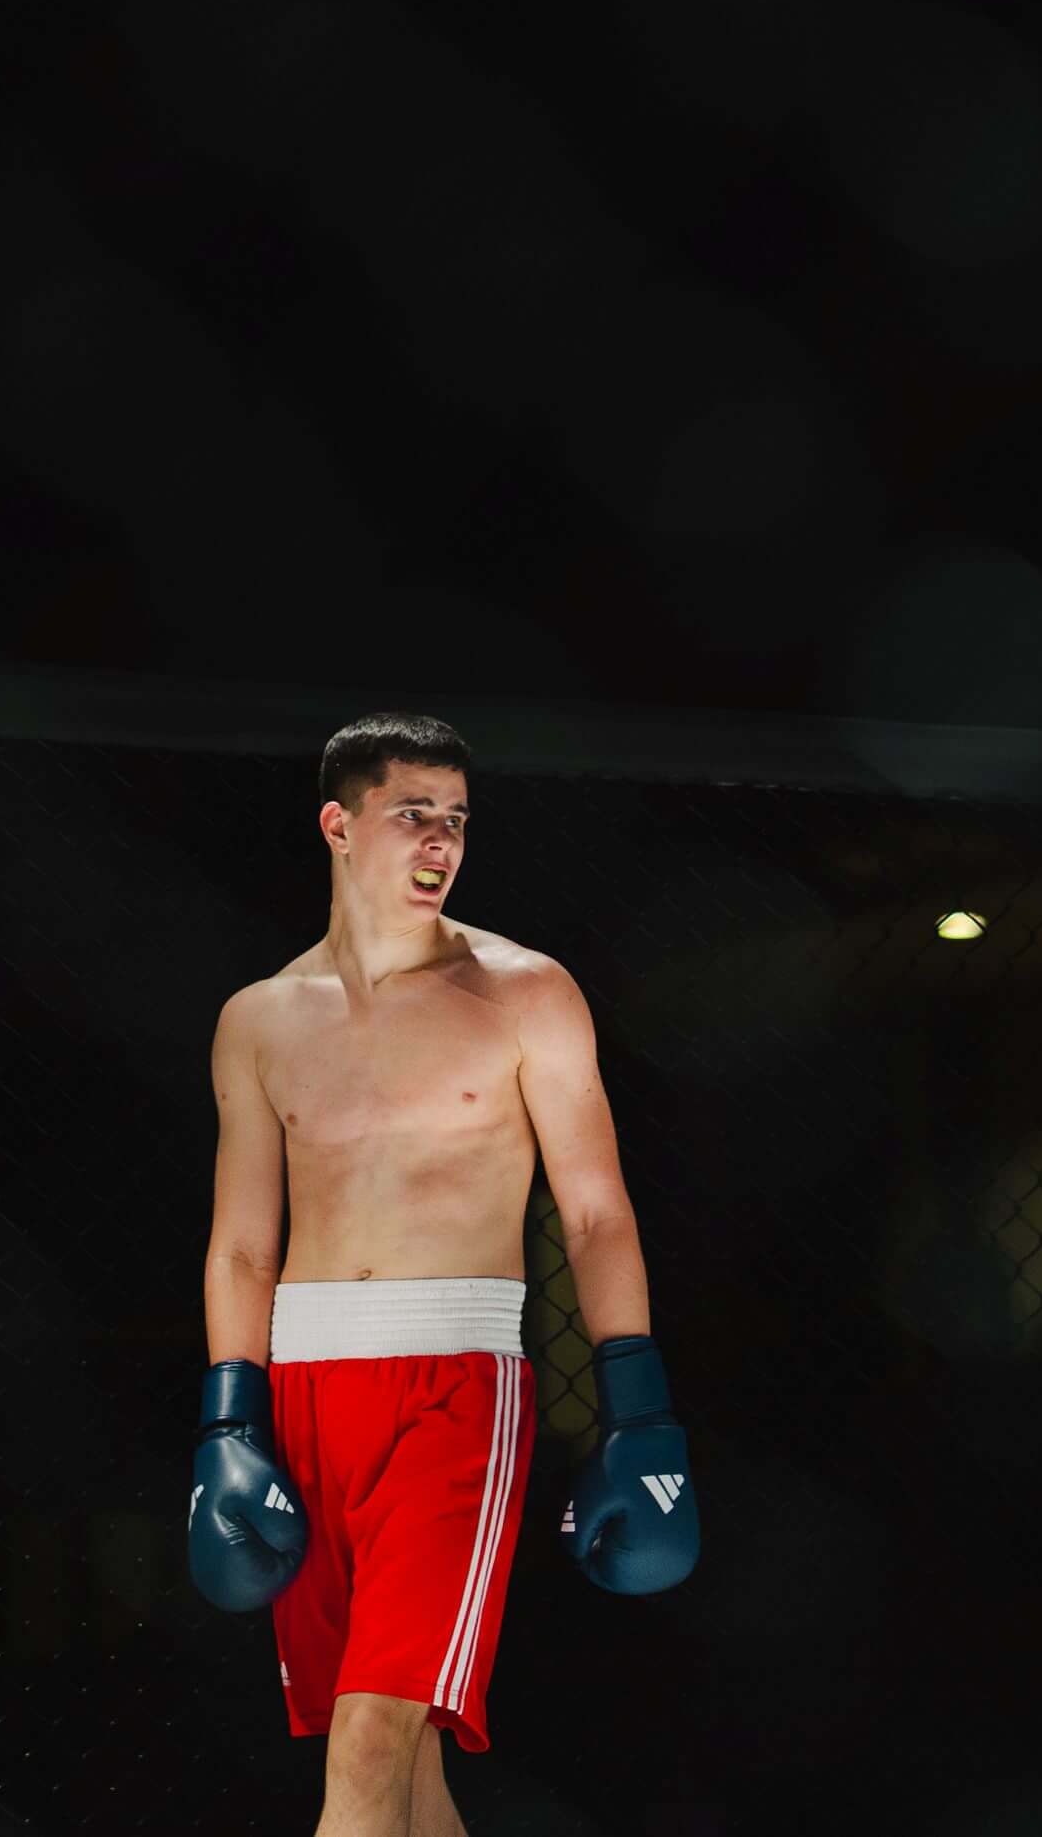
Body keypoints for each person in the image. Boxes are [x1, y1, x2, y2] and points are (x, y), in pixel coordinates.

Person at [186, 711, 699, 1837]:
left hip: (453, 1387)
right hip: (306, 1394)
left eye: (456, 820)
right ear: (338, 824)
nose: (440, 841)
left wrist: (639, 1406)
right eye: (412, 812)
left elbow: (595, 1213)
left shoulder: (525, 993)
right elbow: (242, 1246)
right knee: (404, 1761)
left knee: (371, 1737)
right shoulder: (258, 1020)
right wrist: (229, 1421)